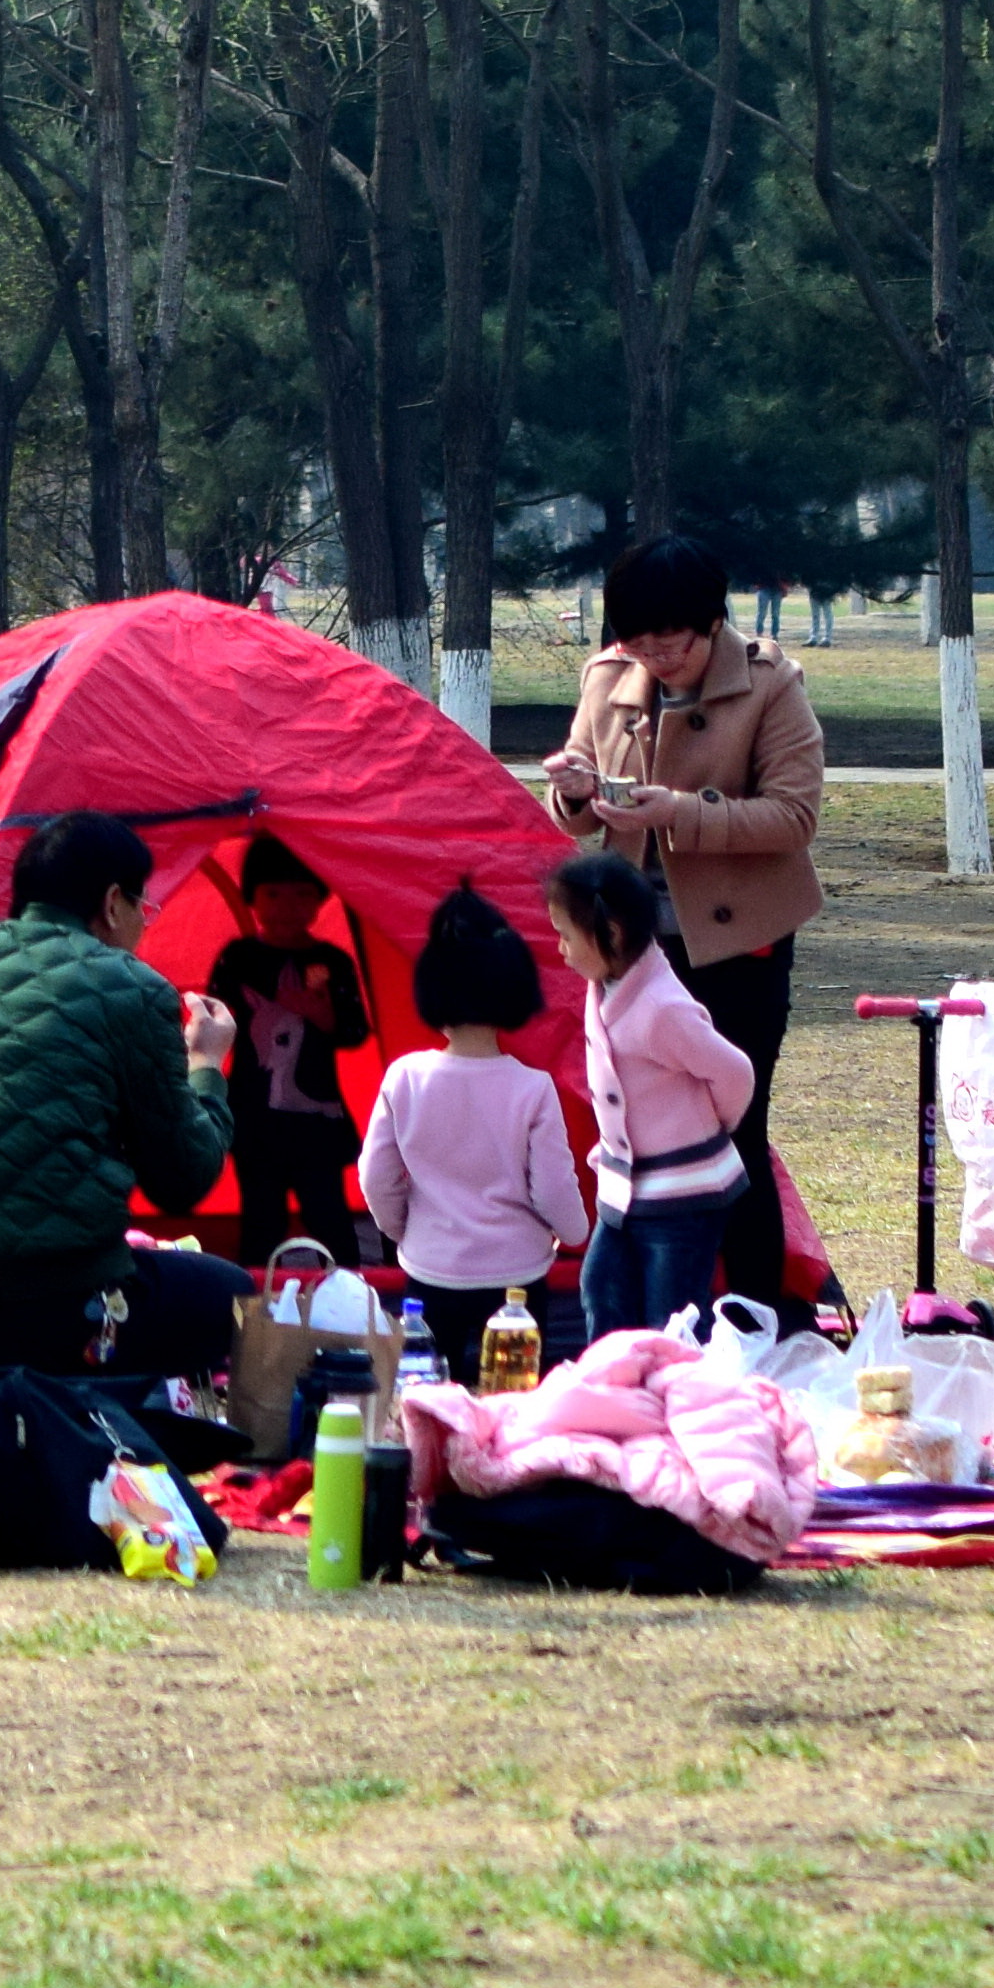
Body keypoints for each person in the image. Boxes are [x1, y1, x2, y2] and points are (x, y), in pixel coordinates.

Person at [0, 811, 248, 1380]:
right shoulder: (131, 988)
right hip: (46, 1303)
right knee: (230, 1294)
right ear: (114, 903)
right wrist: (206, 1064)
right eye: (145, 907)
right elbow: (181, 1178)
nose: (144, 924)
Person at [542, 532, 825, 1308]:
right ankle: (661, 1312)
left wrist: (682, 815)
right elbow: (574, 807)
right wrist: (571, 790)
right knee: (644, 1129)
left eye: (673, 639)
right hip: (633, 947)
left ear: (710, 623)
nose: (657, 656)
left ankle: (761, 1317)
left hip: (738, 941)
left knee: (737, 1130)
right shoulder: (608, 679)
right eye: (638, 638)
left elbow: (794, 816)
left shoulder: (771, 684)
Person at [356, 883, 589, 1383]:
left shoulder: (405, 1076)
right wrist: (574, 1234)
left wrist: (406, 1231)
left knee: (427, 1398)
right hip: (518, 1279)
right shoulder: (533, 1087)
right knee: (510, 1400)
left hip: (430, 1271)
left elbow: (376, 1176)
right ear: (515, 991)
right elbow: (552, 1185)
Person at [549, 847, 760, 1341]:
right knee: (601, 1287)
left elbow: (735, 1073)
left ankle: (676, 1402)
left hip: (684, 1193)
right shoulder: (606, 983)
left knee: (674, 1316)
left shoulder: (662, 1009)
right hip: (624, 1188)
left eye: (565, 936)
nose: (559, 948)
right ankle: (618, 1392)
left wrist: (708, 1131)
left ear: (612, 934)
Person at [205, 835, 371, 1261]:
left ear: (320, 900)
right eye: (273, 893)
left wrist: (320, 1014)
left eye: (302, 894)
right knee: (261, 1216)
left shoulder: (333, 962)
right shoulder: (237, 958)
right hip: (252, 1116)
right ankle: (256, 1307)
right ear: (252, 898)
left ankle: (349, 1297)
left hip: (316, 1119)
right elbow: (215, 1026)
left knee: (328, 1214)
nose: (287, 905)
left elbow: (355, 1032)